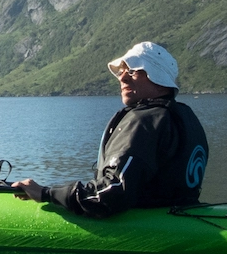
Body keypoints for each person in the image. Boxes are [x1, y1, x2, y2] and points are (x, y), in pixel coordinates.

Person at [11, 42, 208, 218]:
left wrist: (47, 193)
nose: (122, 78)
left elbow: (112, 193)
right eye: (122, 71)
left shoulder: (144, 122)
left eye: (132, 71)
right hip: (179, 215)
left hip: (140, 227)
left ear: (159, 81)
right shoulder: (186, 117)